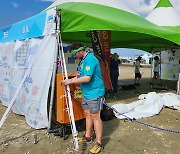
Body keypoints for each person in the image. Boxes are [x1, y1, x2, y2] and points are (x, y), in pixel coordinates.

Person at [61, 42, 105, 154]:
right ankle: (88, 136)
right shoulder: (82, 61)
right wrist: (72, 79)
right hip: (86, 93)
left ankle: (99, 143)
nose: (74, 56)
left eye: (75, 54)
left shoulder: (90, 59)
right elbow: (80, 75)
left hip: (95, 93)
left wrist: (70, 81)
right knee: (87, 115)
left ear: (81, 51)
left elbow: (87, 78)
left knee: (95, 116)